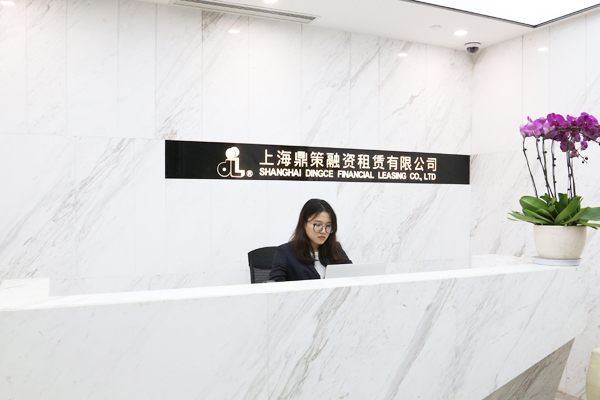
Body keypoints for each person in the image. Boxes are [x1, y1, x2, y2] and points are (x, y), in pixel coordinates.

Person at [268, 199, 352, 282]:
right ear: (304, 223)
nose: (323, 231)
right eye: (318, 225)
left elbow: (353, 277)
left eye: (328, 226)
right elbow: (275, 285)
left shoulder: (336, 249)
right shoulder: (286, 252)